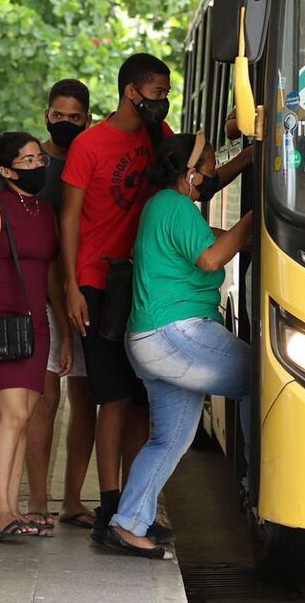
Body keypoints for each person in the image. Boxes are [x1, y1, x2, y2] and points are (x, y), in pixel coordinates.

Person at [103, 132, 254, 558]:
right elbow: (210, 258)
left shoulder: (162, 206)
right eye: (207, 167)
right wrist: (255, 217)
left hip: (150, 340)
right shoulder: (174, 205)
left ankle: (129, 524)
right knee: (262, 380)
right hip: (175, 334)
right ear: (189, 174)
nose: (212, 174)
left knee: (169, 439)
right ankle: (259, 484)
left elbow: (207, 240)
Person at [60, 53, 175, 542]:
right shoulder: (89, 144)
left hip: (146, 283)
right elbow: (68, 218)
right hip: (98, 284)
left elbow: (199, 170)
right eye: (156, 94)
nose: (162, 103)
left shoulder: (159, 139)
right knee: (113, 400)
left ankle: (135, 506)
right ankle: (110, 507)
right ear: (132, 91)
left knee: (144, 402)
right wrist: (71, 285)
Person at [0, 132, 61, 541]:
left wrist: (66, 335)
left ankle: (13, 507)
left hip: (36, 323)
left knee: (25, 418)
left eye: (39, 158)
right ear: (6, 171)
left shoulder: (43, 210)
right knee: (14, 415)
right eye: (27, 161)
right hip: (1, 321)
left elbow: (52, 273)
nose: (38, 165)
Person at [24, 79, 98, 531]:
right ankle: (36, 502)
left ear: (87, 118)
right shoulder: (34, 164)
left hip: (87, 291)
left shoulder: (94, 156)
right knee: (44, 400)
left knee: (85, 398)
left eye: (75, 117)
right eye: (58, 115)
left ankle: (71, 501)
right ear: (46, 114)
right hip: (41, 295)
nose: (65, 122)